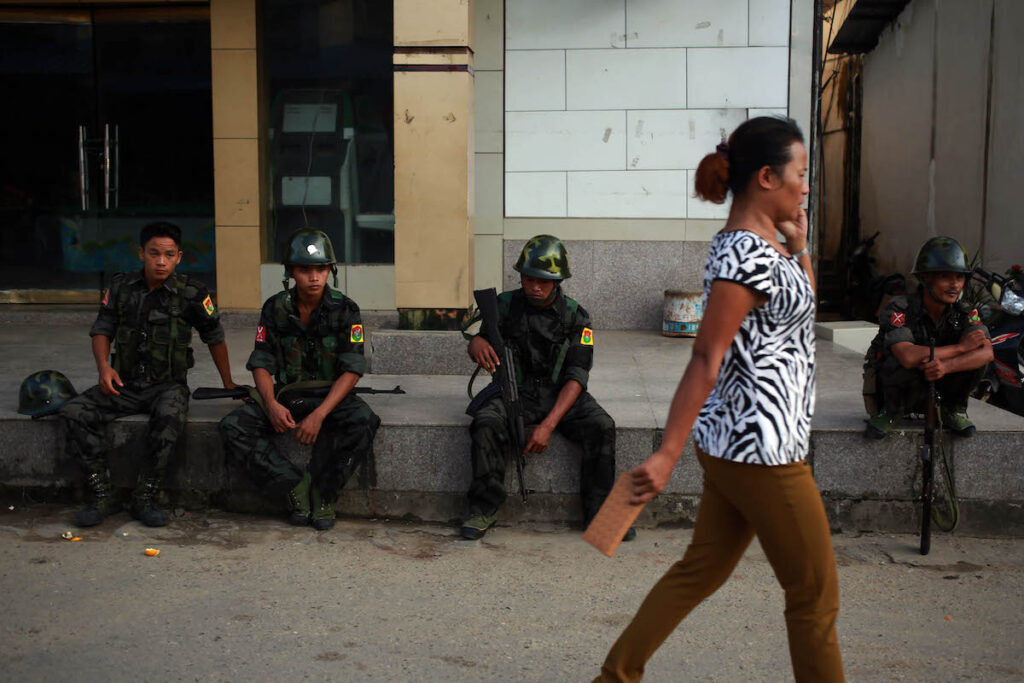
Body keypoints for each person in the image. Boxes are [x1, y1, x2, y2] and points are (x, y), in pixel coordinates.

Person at [595, 118, 844, 682]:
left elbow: (796, 311)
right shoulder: (744, 260)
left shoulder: (764, 249)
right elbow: (706, 358)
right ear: (766, 177)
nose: (805, 186)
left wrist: (800, 249)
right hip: (763, 452)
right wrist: (666, 452)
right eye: (800, 174)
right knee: (814, 597)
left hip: (741, 443)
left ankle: (613, 679)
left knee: (698, 571)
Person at [60, 221, 235, 528]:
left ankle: (145, 496)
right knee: (74, 411)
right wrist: (104, 368)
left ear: (179, 257)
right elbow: (102, 329)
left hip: (168, 386)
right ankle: (103, 494)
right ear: (141, 253)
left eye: (168, 254)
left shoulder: (192, 294)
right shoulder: (120, 287)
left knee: (168, 419)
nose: (161, 261)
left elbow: (215, 337)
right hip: (124, 383)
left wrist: (228, 383)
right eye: (154, 253)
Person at [460, 234, 631, 542]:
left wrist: (548, 425)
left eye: (543, 281)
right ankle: (482, 508)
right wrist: (476, 342)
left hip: (560, 393)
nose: (535, 287)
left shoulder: (576, 316)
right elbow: (470, 326)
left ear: (558, 280)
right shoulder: (504, 305)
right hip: (514, 390)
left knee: (601, 426)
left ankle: (601, 515)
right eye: (528, 279)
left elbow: (577, 376)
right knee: (485, 423)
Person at [218, 229, 380, 531]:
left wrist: (320, 414)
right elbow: (262, 361)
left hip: (329, 396)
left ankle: (324, 494)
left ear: (329, 270)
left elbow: (352, 368)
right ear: (291, 271)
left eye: (320, 269)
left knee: (364, 420)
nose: (314, 277)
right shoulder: (275, 308)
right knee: (233, 426)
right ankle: (294, 485)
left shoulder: (346, 309)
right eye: (305, 269)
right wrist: (270, 404)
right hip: (287, 396)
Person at [862, 236, 993, 439]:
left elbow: (986, 352)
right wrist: (959, 349)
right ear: (925, 278)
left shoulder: (964, 312)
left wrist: (946, 366)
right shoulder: (900, 308)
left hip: (939, 380)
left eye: (959, 277)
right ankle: (890, 412)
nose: (954, 285)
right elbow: (907, 355)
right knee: (896, 359)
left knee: (977, 360)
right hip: (896, 389)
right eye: (945, 277)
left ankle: (953, 410)